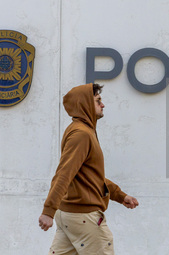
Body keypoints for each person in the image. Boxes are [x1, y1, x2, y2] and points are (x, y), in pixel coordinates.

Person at [39, 83, 139, 255]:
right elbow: (64, 173)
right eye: (98, 100)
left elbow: (90, 175)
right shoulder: (82, 134)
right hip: (84, 217)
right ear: (85, 104)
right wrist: (48, 211)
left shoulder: (82, 131)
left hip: (70, 216)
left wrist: (120, 195)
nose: (103, 104)